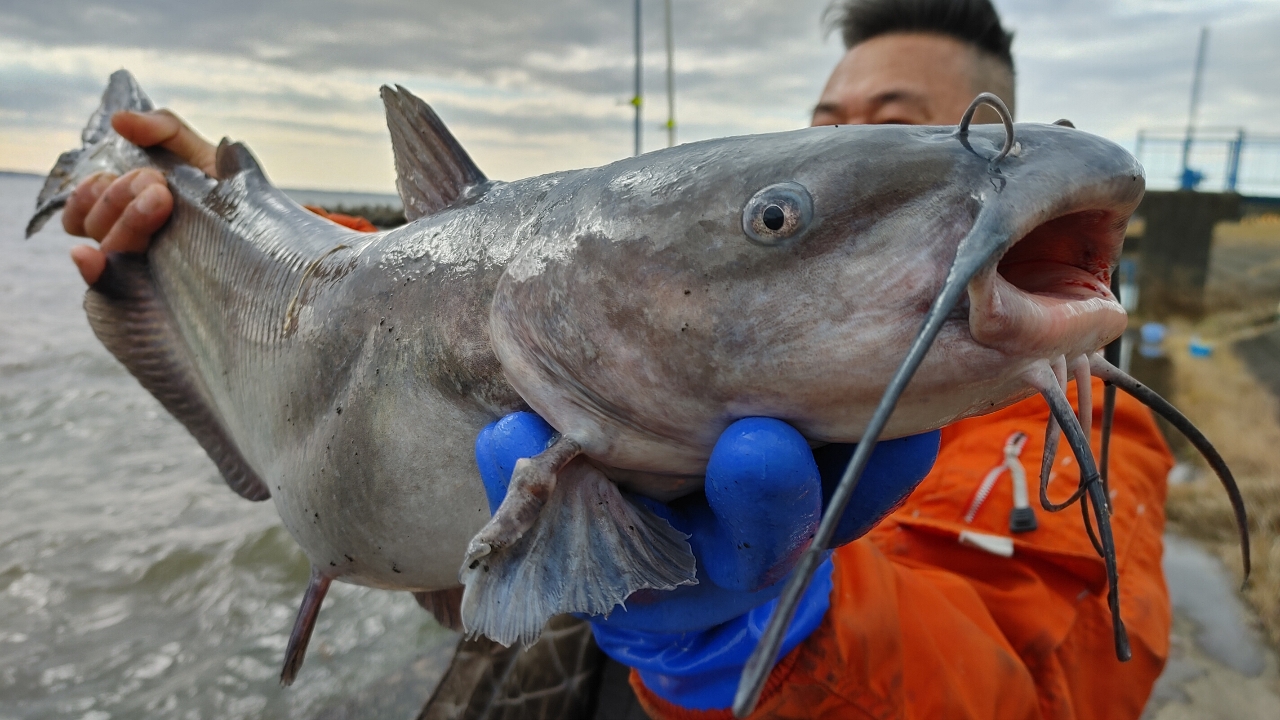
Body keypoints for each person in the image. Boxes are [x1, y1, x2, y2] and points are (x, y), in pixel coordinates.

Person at [61, 1, 1174, 718]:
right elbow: (395, 284)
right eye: (821, 128)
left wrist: (798, 631)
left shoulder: (1085, 432)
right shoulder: (535, 309)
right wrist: (208, 195)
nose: (845, 146)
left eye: (900, 125)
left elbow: (1062, 689)